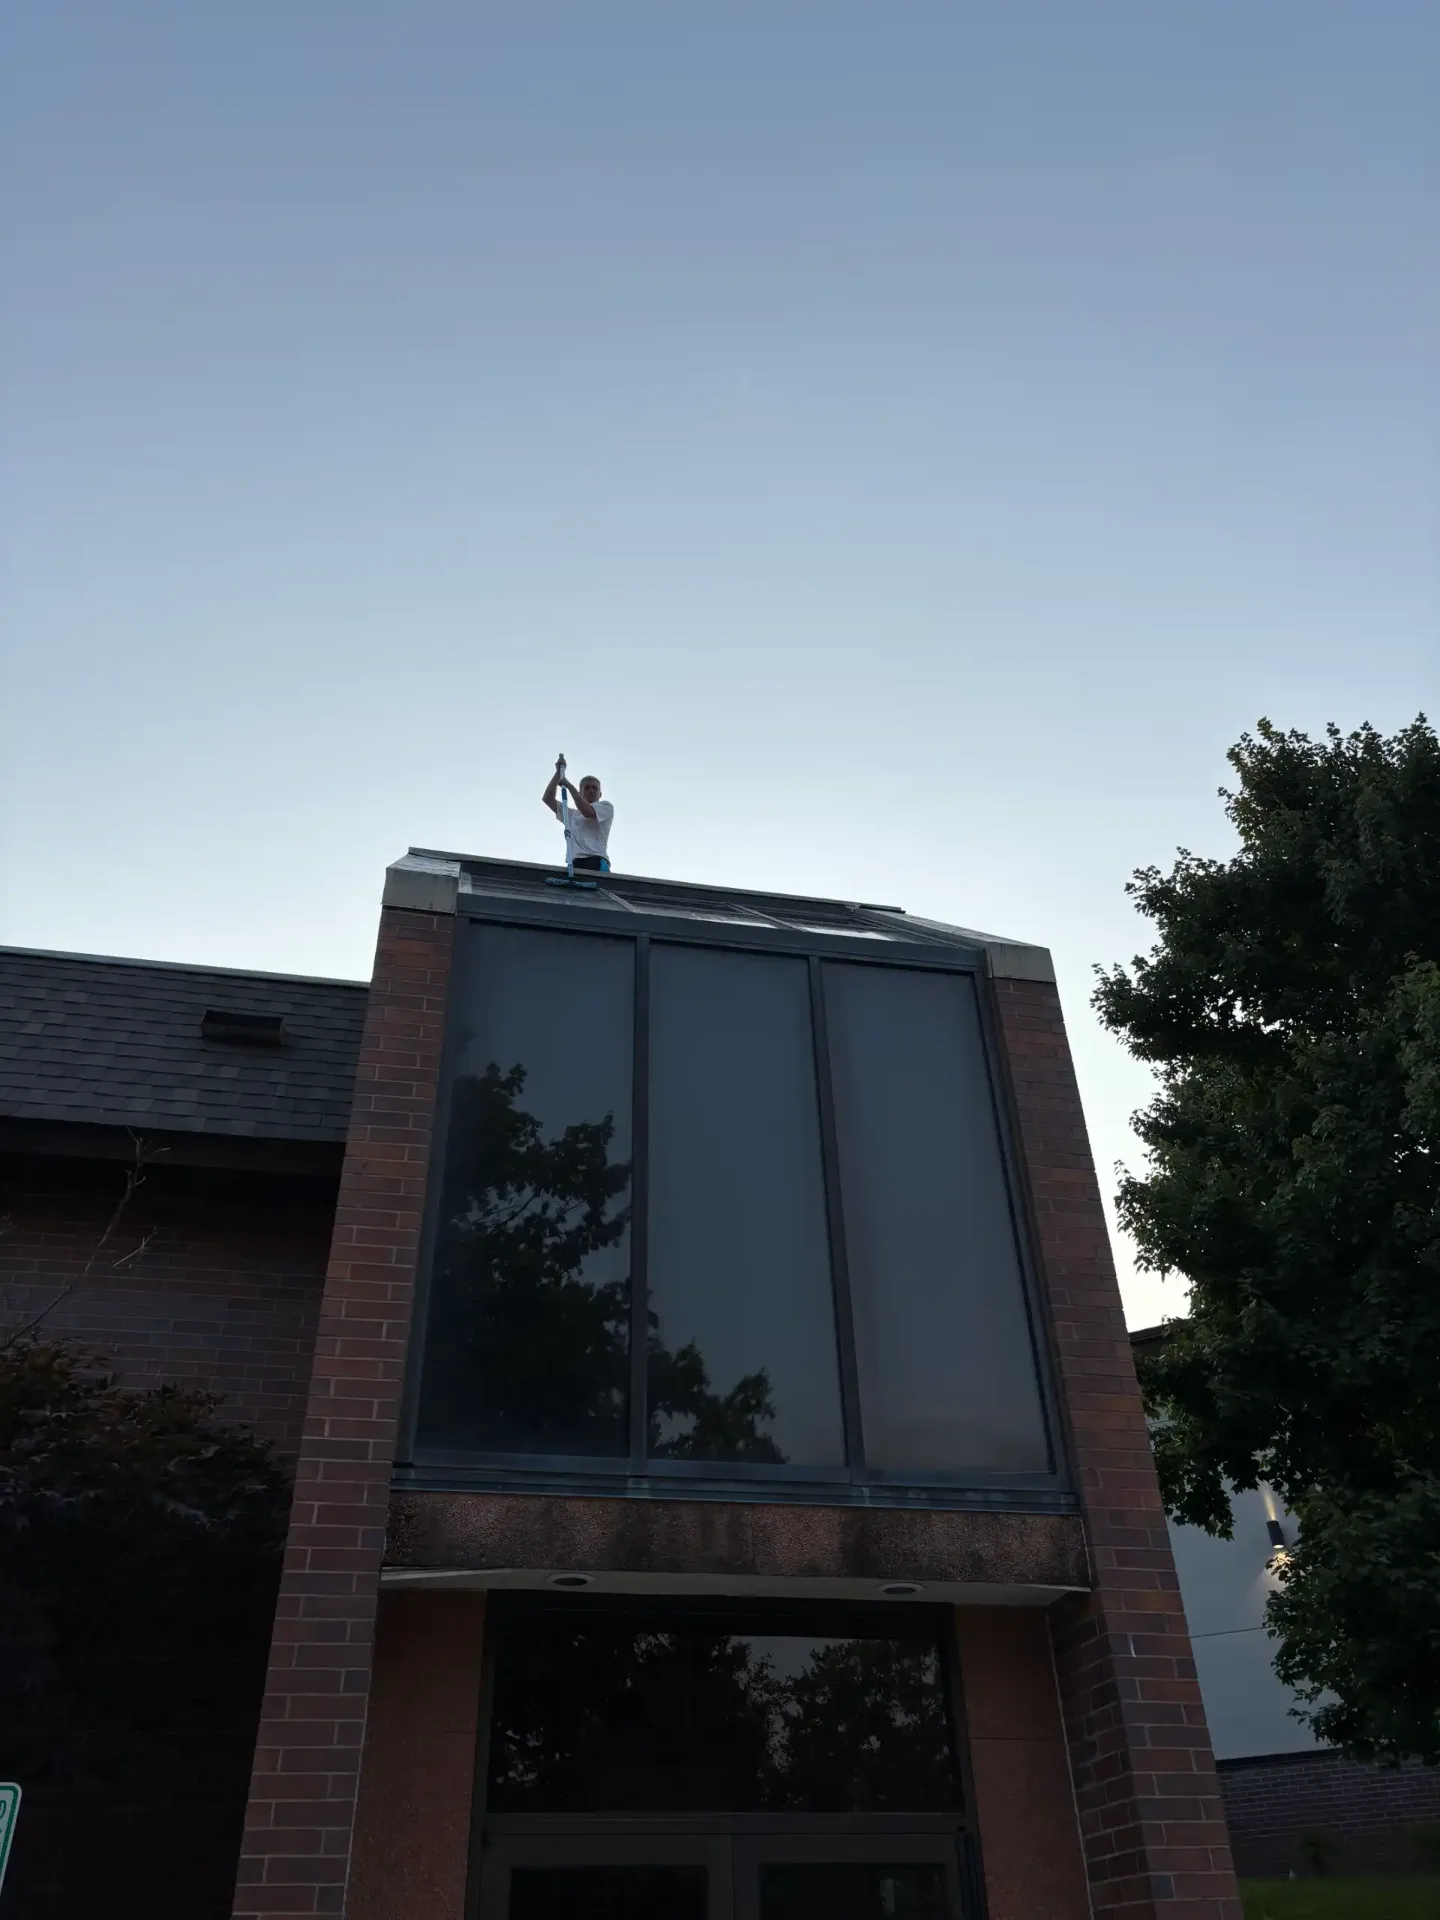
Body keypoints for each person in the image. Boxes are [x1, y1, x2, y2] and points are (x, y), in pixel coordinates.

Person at [541, 759, 614, 872]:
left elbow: (587, 811)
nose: (591, 791)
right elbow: (548, 799)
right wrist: (558, 774)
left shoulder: (606, 807)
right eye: (587, 788)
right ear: (580, 793)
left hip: (596, 860)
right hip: (575, 863)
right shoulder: (571, 815)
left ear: (600, 794)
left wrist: (569, 786)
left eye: (595, 788)